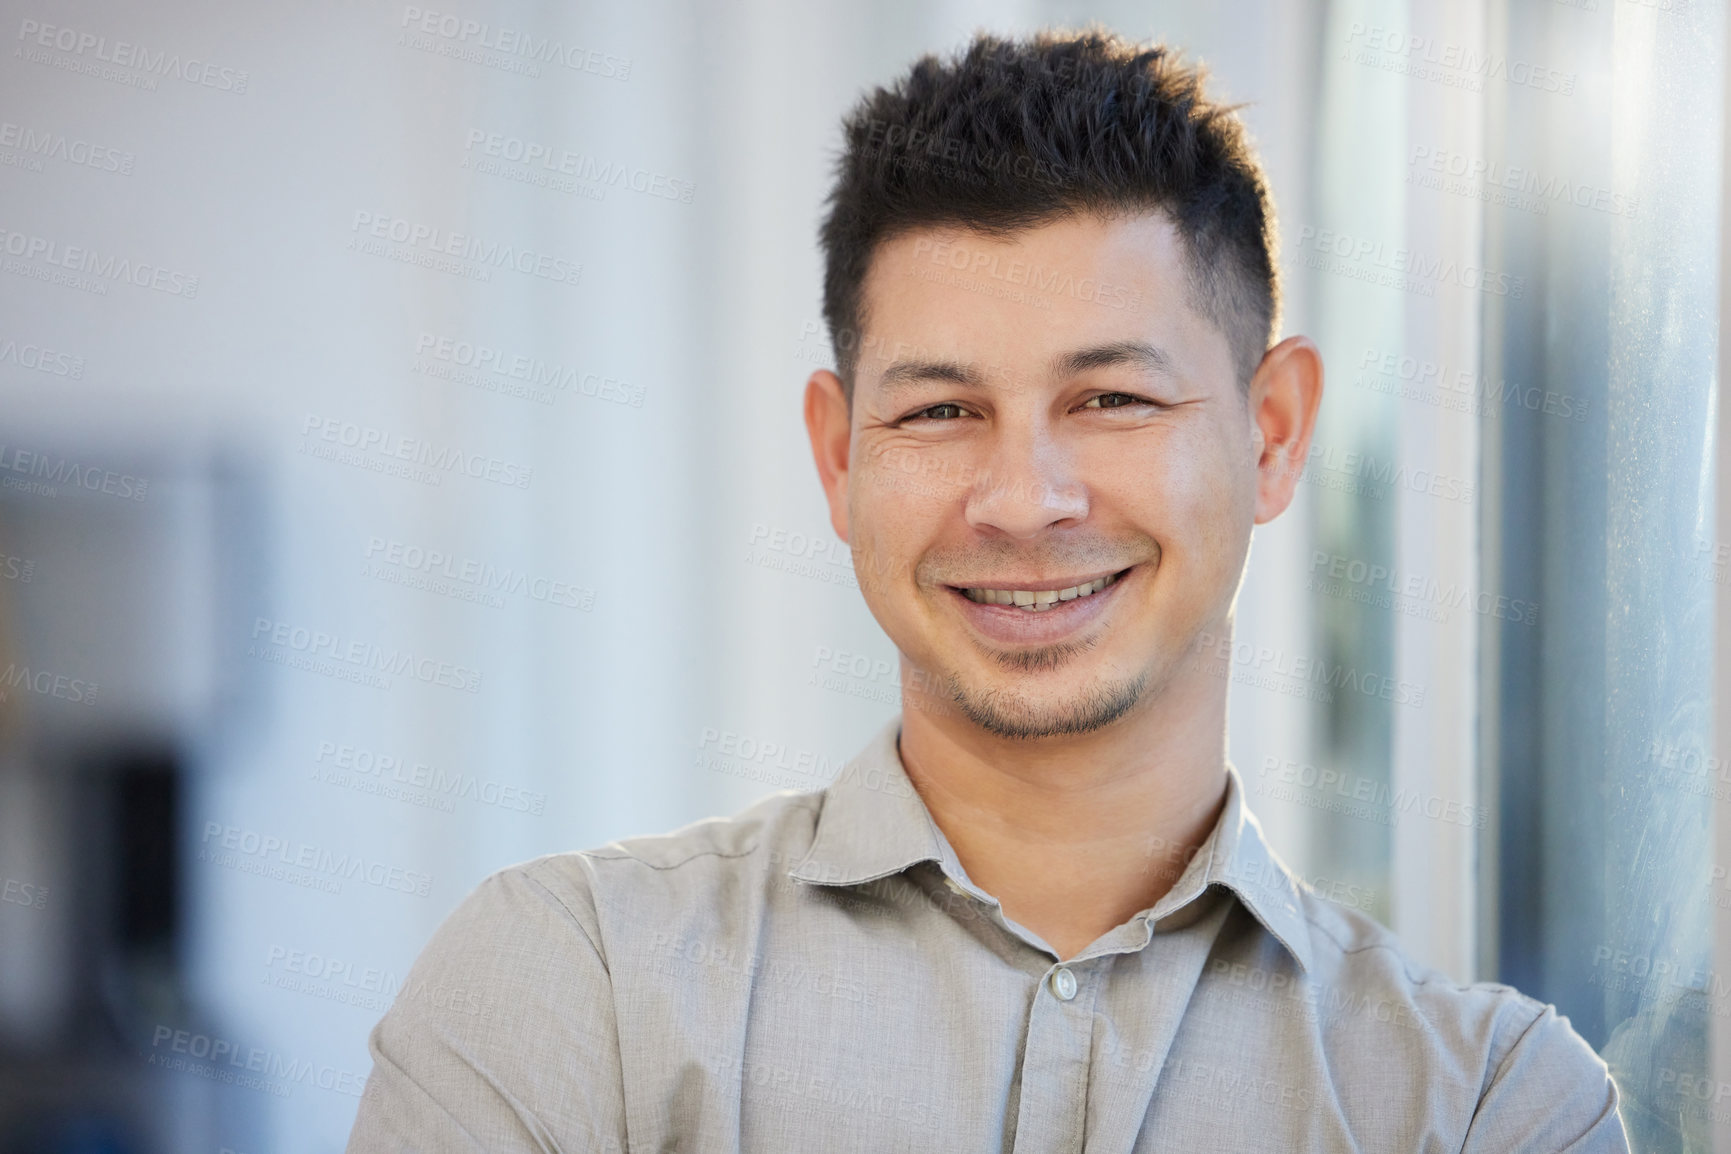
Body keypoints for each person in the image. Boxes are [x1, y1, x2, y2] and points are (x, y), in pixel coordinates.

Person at [347, 30, 1628, 1152]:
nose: (1024, 499)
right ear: (841, 457)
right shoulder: (570, 988)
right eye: (943, 409)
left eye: (1113, 398)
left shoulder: (1484, 1106)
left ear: (1276, 431)